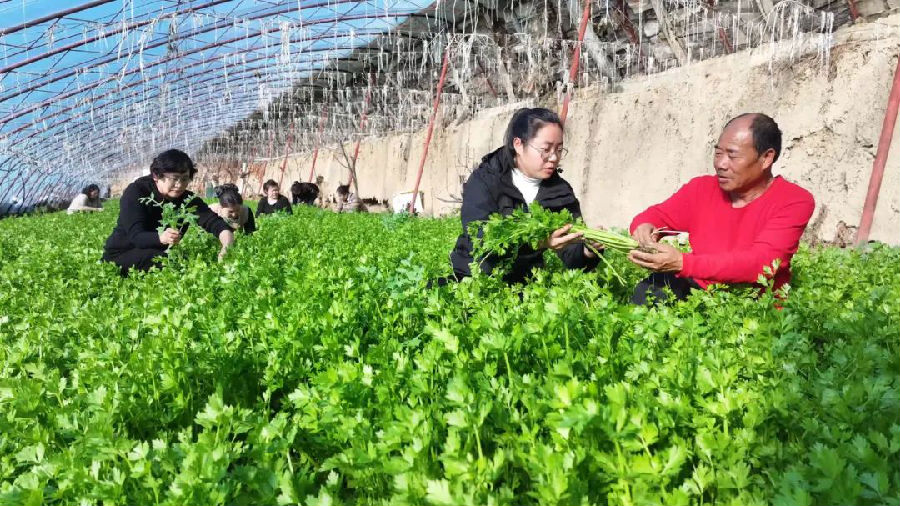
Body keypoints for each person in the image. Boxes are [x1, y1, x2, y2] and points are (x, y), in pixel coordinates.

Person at [627, 113, 815, 305]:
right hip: (701, 291)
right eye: (718, 153)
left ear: (766, 158)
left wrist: (683, 263)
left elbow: (762, 264)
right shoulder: (702, 189)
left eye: (732, 155)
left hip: (754, 305)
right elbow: (656, 215)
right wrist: (645, 226)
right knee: (651, 290)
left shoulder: (793, 201)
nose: (720, 164)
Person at [438, 107, 601, 286]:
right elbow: (481, 239)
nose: (554, 158)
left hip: (524, 283)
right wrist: (539, 242)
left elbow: (571, 251)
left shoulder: (559, 192)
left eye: (559, 150)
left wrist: (588, 251)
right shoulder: (486, 179)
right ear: (518, 145)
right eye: (545, 149)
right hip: (473, 277)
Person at [101, 149, 235, 276]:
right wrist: (161, 238)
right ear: (156, 175)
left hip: (159, 253)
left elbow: (215, 223)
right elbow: (136, 236)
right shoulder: (137, 192)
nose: (179, 185)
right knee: (172, 261)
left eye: (184, 179)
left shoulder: (187, 200)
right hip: (121, 255)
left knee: (180, 260)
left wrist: (227, 246)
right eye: (174, 178)